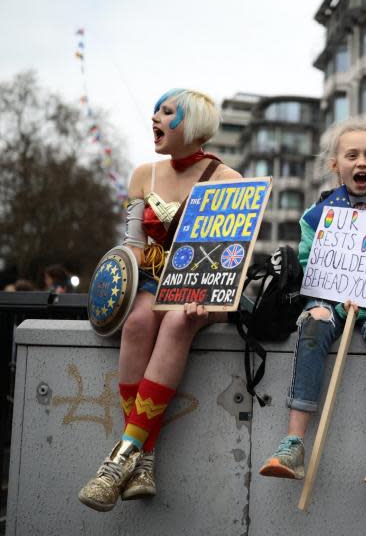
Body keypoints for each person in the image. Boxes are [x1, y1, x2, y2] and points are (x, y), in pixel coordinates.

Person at [78, 89, 240, 511]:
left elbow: (229, 253)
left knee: (176, 322)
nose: (156, 117)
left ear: (194, 124)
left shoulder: (228, 180)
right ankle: (143, 459)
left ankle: (118, 460)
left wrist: (205, 293)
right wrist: (124, 288)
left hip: (202, 289)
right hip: (150, 282)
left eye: (168, 112)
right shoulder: (143, 174)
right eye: (156, 110)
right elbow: (132, 245)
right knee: (136, 324)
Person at [259, 119, 366, 491]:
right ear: (336, 165)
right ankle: (293, 443)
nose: (362, 161)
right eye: (352, 155)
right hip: (331, 298)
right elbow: (309, 263)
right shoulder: (317, 213)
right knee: (316, 319)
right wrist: (341, 292)